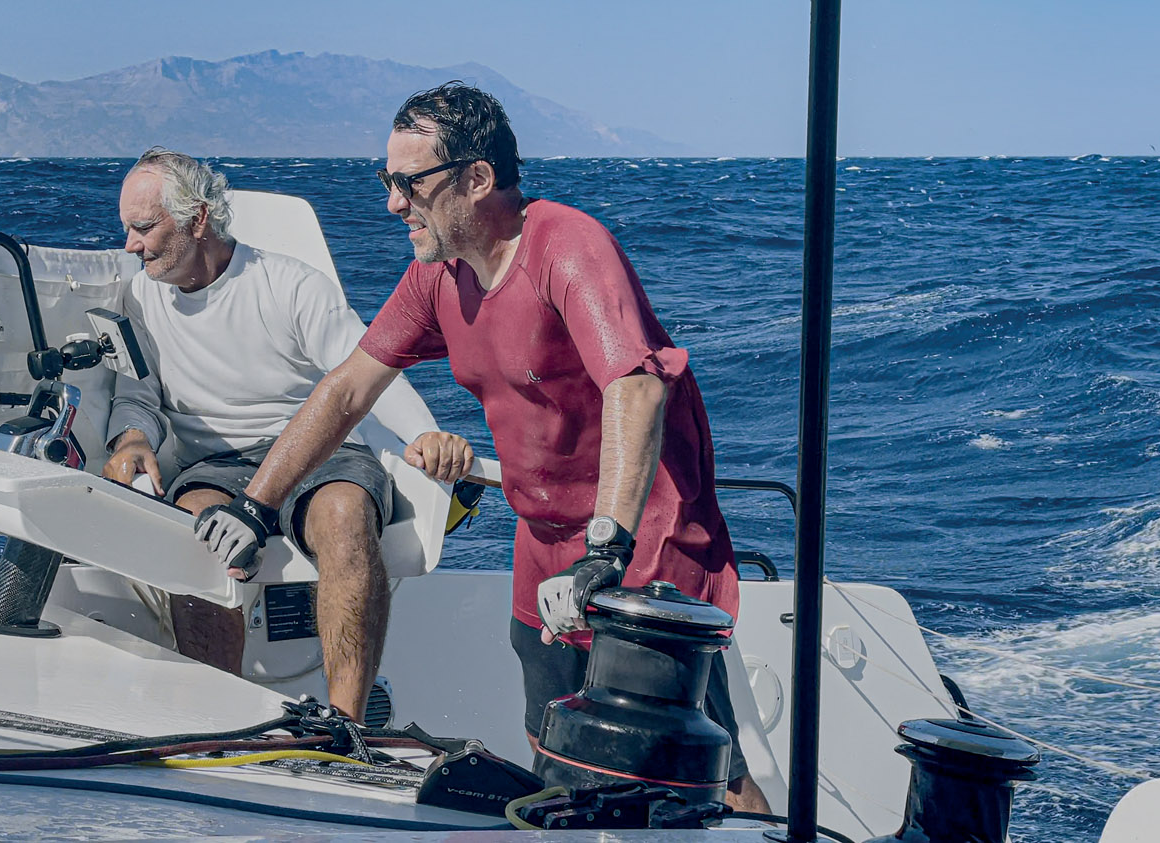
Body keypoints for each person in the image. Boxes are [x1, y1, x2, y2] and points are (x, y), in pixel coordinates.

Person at [205, 83, 769, 810]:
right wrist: (258, 503)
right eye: (387, 182)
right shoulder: (438, 276)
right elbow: (347, 389)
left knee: (688, 763)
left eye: (408, 184)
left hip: (641, 530)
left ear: (476, 179)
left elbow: (637, 388)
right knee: (554, 746)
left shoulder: (566, 247)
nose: (392, 203)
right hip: (545, 535)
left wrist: (608, 550)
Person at [103, 147, 452, 724]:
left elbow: (366, 373)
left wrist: (425, 435)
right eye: (127, 230)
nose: (130, 246)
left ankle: (347, 726)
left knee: (345, 516)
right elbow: (137, 394)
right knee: (197, 530)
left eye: (143, 228)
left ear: (197, 220)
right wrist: (132, 439)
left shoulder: (289, 285)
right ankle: (218, 717)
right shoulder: (140, 295)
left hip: (321, 454)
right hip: (213, 464)